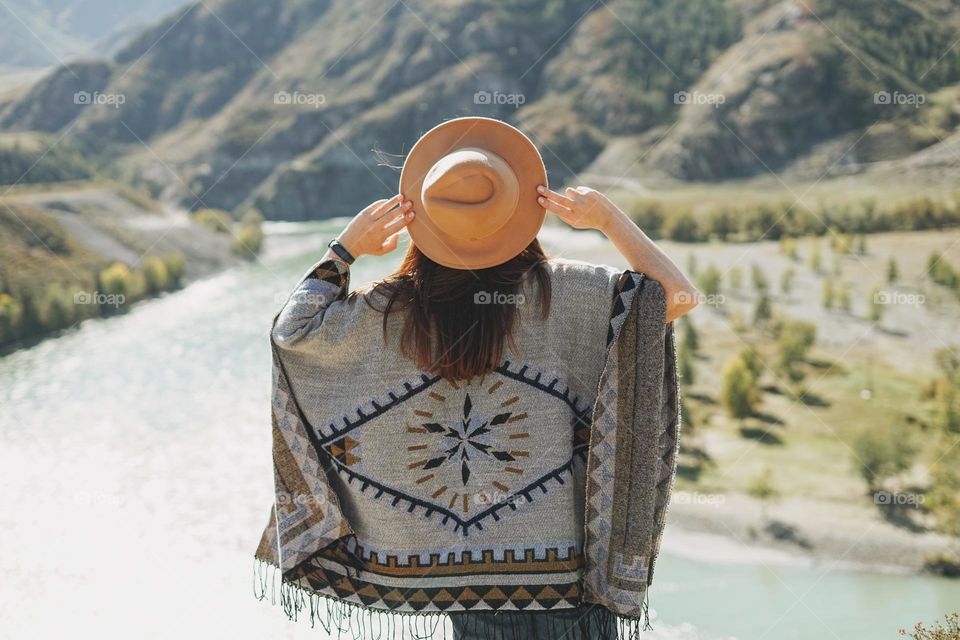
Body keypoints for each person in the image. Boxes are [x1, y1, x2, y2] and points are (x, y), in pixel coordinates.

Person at [254, 117, 699, 640]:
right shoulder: (574, 296)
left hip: (464, 597)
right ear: (520, 214)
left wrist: (345, 249)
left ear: (419, 221)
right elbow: (679, 295)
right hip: (569, 586)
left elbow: (292, 332)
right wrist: (607, 218)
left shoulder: (386, 312)